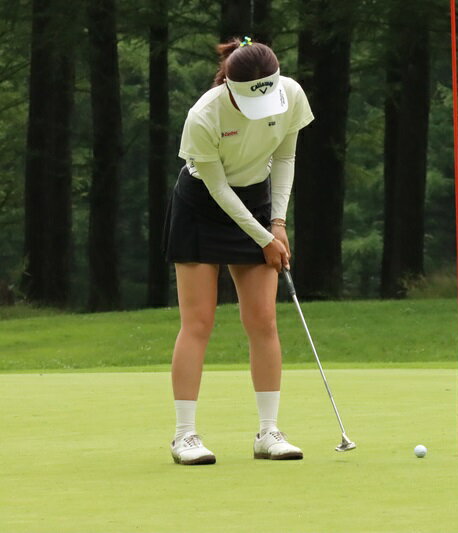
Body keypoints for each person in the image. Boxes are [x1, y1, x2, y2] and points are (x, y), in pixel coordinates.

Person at [163, 36, 314, 465]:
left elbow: (284, 159)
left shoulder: (292, 95)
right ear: (230, 86)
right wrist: (264, 237)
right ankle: (185, 436)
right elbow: (216, 188)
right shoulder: (204, 115)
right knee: (199, 321)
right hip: (202, 207)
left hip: (258, 202)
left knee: (263, 319)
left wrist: (278, 224)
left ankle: (268, 432)